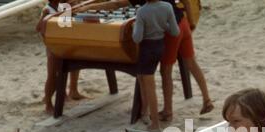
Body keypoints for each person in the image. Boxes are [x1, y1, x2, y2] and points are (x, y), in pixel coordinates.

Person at [76, 0, 214, 121]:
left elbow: (117, 4)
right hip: (183, 23)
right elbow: (187, 2)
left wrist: (88, 8)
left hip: (171, 32)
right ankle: (207, 99)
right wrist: (191, 22)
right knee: (191, 62)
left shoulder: (144, 8)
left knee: (166, 71)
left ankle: (167, 111)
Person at [131, 0, 179, 131]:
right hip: (160, 45)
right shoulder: (167, 6)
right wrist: (162, 26)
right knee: (141, 77)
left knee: (149, 86)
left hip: (147, 48)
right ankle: (144, 112)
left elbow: (137, 38)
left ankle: (155, 124)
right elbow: (175, 31)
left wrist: (135, 26)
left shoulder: (142, 11)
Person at [36, 0, 86, 114]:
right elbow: (39, 29)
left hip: (62, 44)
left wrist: (72, 11)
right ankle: (48, 103)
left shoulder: (63, 6)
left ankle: (67, 93)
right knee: (52, 76)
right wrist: (53, 16)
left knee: (66, 69)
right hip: (52, 46)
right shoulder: (47, 10)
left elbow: (65, 26)